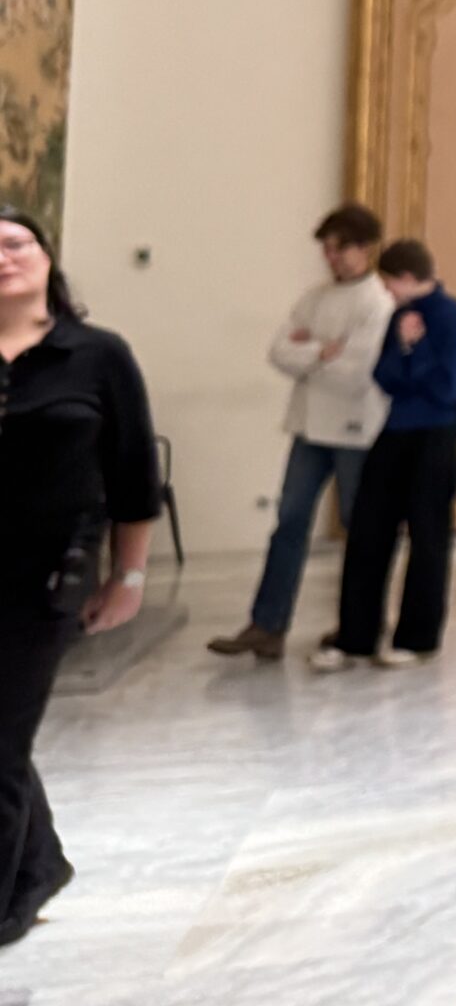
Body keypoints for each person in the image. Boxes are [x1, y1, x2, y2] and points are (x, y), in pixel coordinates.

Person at [0, 208, 158, 949]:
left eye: (15, 243)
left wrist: (129, 574)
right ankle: (40, 865)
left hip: (46, 577)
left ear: (46, 258)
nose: (2, 257)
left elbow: (134, 475)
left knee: (1, 741)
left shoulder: (97, 355)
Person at [208, 204, 396, 660]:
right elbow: (278, 351)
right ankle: (267, 625)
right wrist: (323, 352)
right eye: (326, 249)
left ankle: (363, 625)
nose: (331, 258)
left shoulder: (378, 303)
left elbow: (357, 372)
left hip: (355, 430)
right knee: (289, 524)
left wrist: (311, 354)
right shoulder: (314, 298)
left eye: (339, 249)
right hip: (309, 428)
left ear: (365, 248)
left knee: (361, 529)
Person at [313, 239, 456, 670]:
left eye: (388, 282)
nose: (386, 291)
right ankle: (355, 637)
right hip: (393, 432)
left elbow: (448, 388)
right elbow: (384, 375)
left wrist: (415, 350)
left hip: (436, 436)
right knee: (367, 532)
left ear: (407, 278)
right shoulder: (400, 316)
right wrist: (406, 353)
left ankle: (417, 638)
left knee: (428, 538)